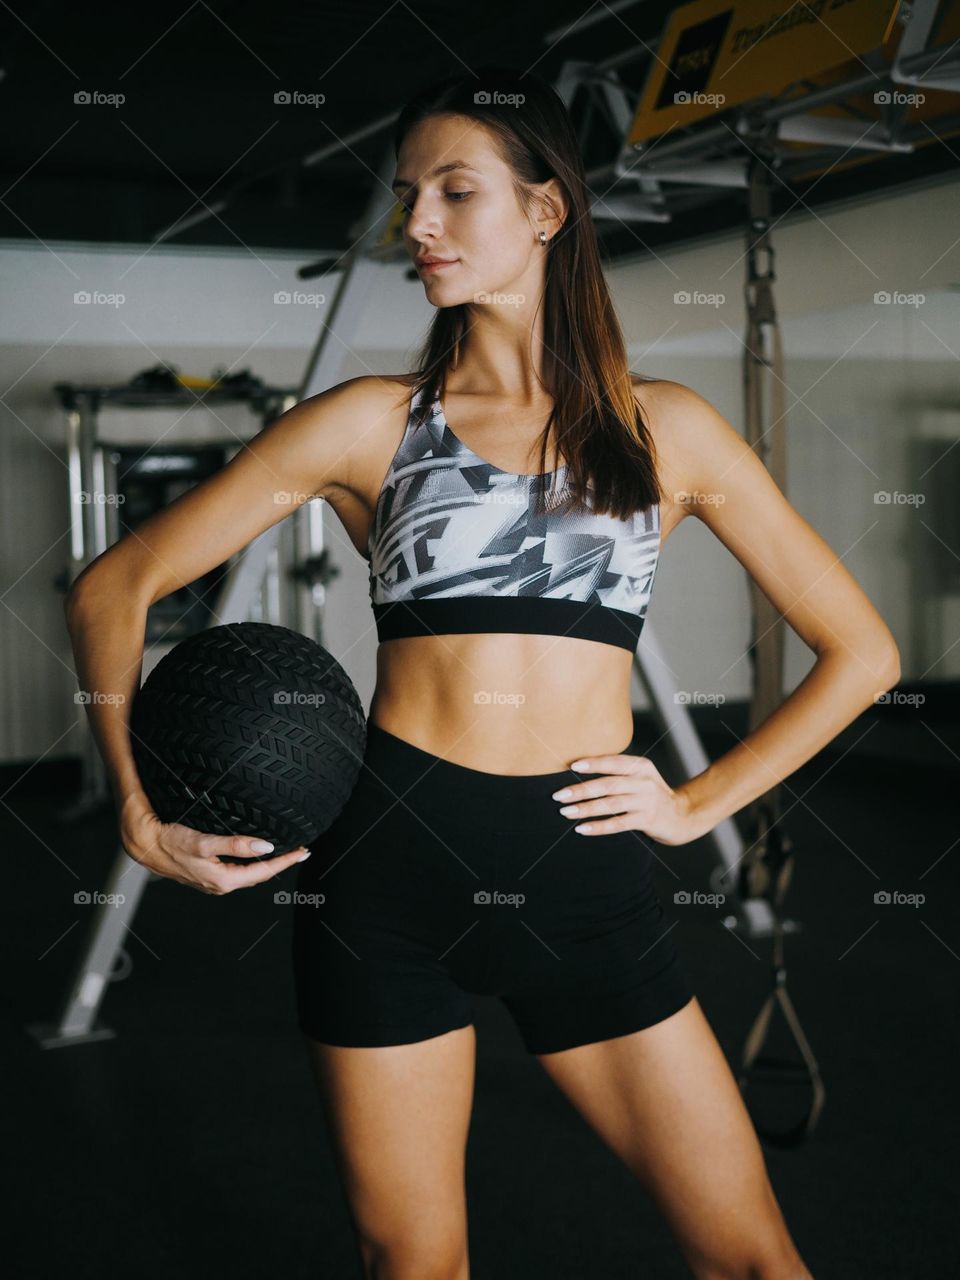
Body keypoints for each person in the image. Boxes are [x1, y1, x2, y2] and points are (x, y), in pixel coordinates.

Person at [65, 66, 898, 1280]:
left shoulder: (668, 428)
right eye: (410, 196)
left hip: (588, 885)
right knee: (414, 1264)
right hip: (384, 882)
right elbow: (111, 584)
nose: (418, 224)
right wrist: (135, 804)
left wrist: (696, 800)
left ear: (548, 210)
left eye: (455, 191)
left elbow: (864, 651)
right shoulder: (368, 423)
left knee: (755, 1259)